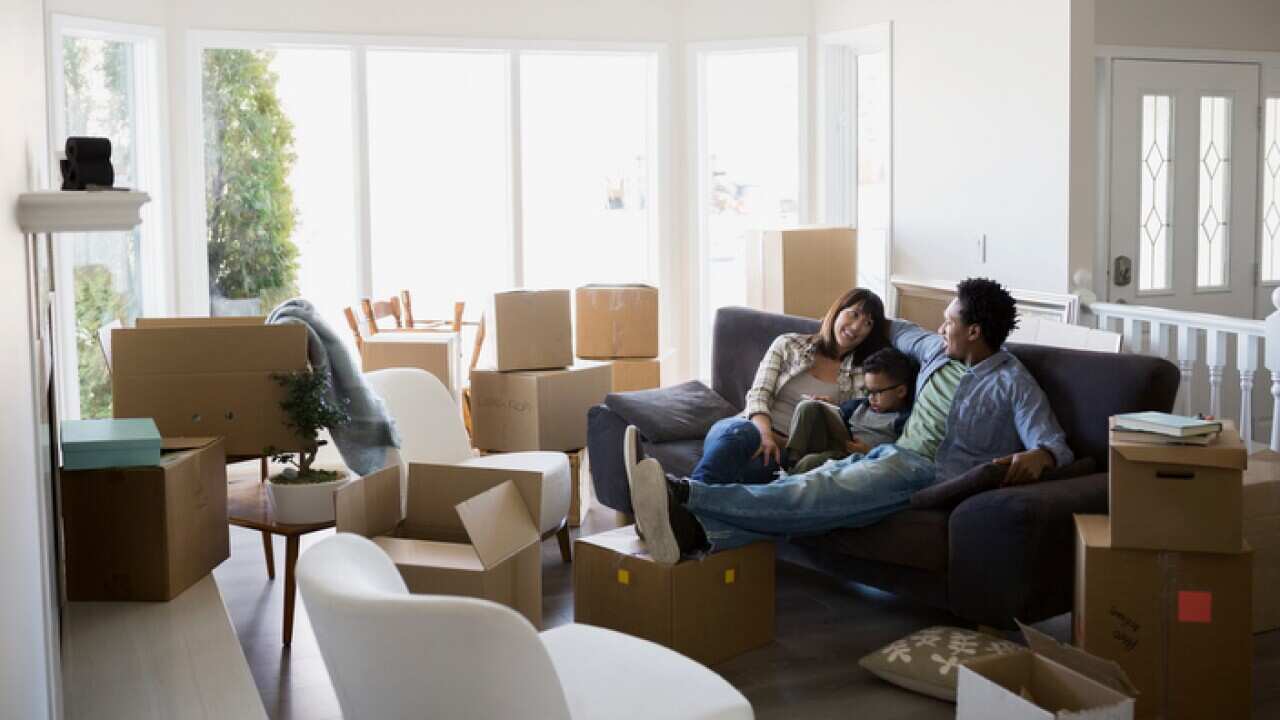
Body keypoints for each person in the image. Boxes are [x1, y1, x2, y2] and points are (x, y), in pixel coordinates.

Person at [627, 277, 1074, 565]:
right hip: (889, 456)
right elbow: (893, 327)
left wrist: (1041, 454)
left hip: (927, 473)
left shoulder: (1014, 382)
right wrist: (850, 323)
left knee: (811, 491)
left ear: (974, 332)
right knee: (805, 498)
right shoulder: (935, 351)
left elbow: (1055, 443)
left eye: (949, 321)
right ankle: (693, 533)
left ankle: (682, 494)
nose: (940, 328)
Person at [685, 288, 891, 488]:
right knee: (736, 435)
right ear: (837, 311)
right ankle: (692, 495)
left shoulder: (862, 376)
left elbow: (848, 430)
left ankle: (686, 498)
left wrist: (832, 411)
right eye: (853, 314)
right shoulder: (788, 344)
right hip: (747, 426)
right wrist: (764, 435)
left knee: (745, 475)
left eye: (867, 323)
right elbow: (759, 394)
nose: (856, 327)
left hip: (787, 451)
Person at [785, 347, 915, 474]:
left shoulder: (902, 420)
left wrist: (869, 451)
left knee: (809, 462)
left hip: (854, 460)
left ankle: (788, 480)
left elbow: (899, 457)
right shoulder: (860, 406)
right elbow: (837, 415)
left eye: (877, 392)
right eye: (867, 391)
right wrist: (826, 406)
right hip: (840, 442)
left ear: (901, 391)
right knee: (808, 406)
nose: (871, 398)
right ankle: (791, 461)